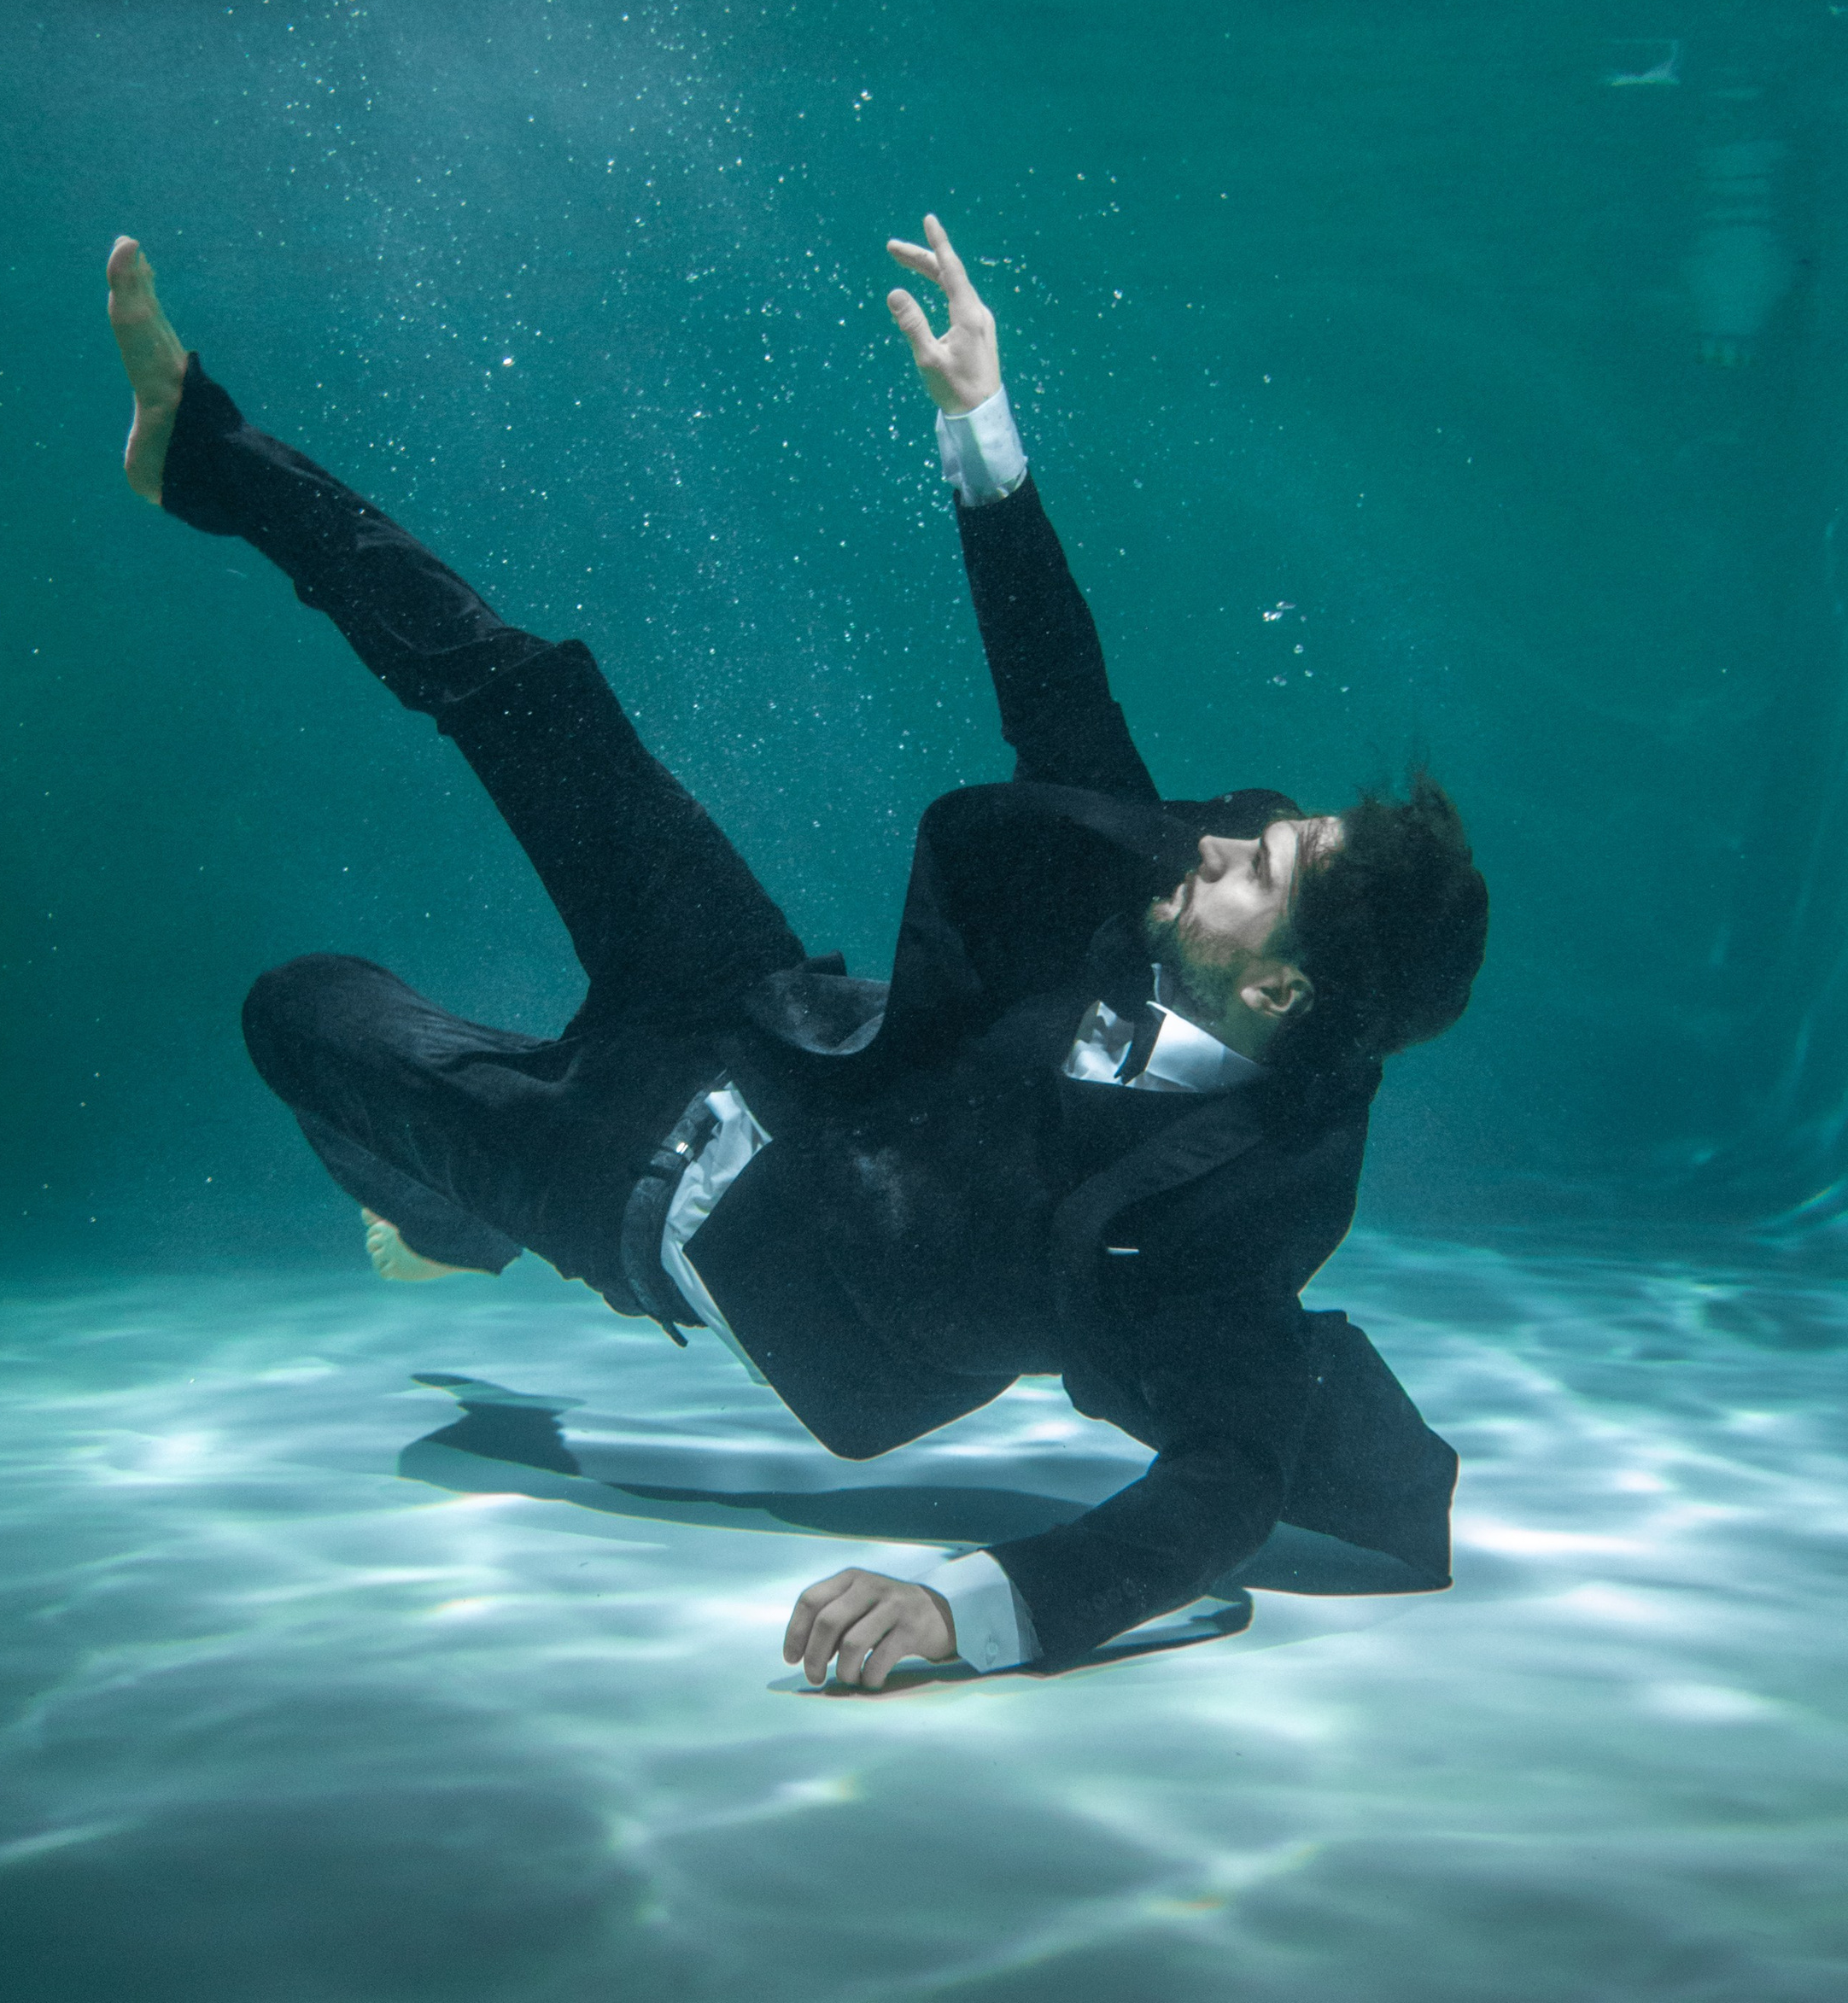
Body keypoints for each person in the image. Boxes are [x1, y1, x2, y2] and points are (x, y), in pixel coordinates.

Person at [105, 219, 1487, 1688]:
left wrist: (978, 1605)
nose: (1218, 838)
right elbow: (1060, 709)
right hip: (754, 1006)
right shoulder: (1176, 906)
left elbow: (1225, 1483)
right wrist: (980, 424)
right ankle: (203, 453)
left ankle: (455, 1220)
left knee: (303, 1011)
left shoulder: (1231, 1223)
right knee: (537, 701)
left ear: (1277, 992)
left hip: (647, 1189)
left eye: (1256, 868)